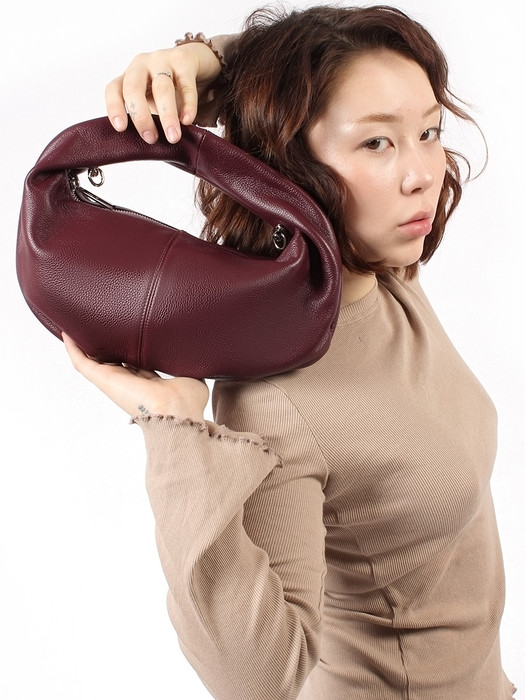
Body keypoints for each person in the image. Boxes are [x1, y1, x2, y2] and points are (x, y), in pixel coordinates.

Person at [63, 5, 516, 699]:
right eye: (376, 144)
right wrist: (175, 428)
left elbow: (285, 92)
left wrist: (204, 60)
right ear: (286, 169)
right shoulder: (277, 395)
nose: (422, 173)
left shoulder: (384, 278)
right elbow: (257, 681)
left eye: (427, 132)